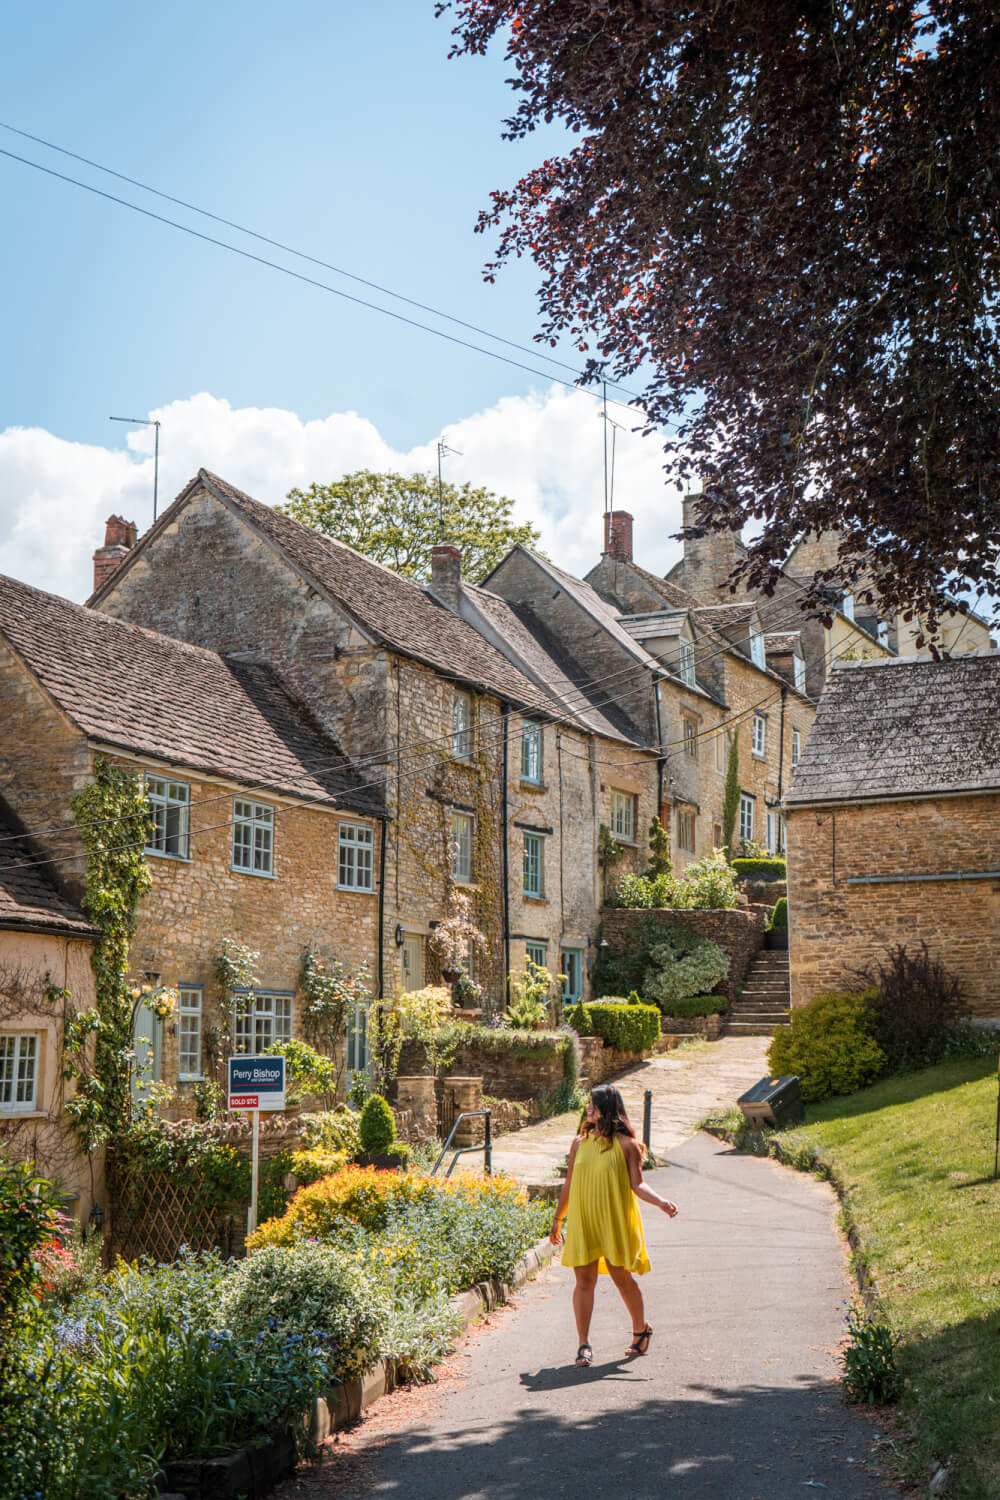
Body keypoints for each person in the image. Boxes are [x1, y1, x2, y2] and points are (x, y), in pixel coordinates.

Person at [550, 1083, 678, 1367]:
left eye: (592, 1103)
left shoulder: (627, 1146)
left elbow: (638, 1185)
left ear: (605, 1108)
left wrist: (661, 1202)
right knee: (584, 1282)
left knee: (622, 1279)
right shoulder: (579, 1143)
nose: (587, 1108)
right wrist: (558, 1219)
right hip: (584, 1221)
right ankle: (583, 1345)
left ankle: (640, 1330)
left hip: (613, 1221)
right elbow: (569, 1184)